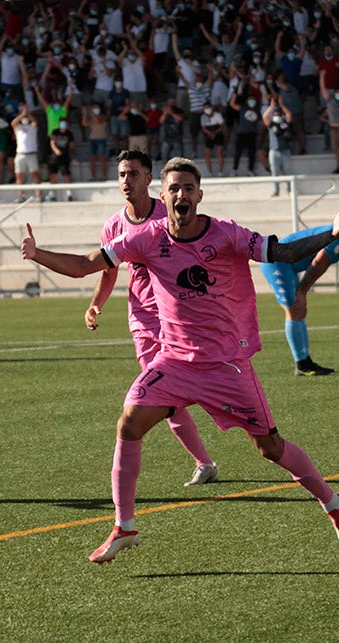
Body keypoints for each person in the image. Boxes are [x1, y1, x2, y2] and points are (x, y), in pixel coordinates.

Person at [21, 157, 339, 563]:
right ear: (162, 196)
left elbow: (283, 252)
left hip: (226, 365)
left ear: (199, 195)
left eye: (188, 188)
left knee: (270, 448)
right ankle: (124, 526)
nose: (181, 194)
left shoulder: (227, 234)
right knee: (129, 422)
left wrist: (332, 233)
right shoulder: (145, 238)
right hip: (175, 362)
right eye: (174, 188)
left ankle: (333, 503)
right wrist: (37, 253)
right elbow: (84, 266)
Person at [85, 150, 219, 487]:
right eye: (121, 175)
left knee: (200, 386)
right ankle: (204, 463)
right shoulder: (114, 226)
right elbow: (108, 270)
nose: (126, 181)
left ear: (149, 179)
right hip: (143, 321)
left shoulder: (169, 211)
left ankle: (251, 436)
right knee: (161, 395)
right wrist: (95, 304)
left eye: (133, 173)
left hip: (179, 315)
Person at [261, 222, 339, 376]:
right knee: (294, 310)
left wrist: (303, 291)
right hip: (277, 263)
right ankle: (302, 364)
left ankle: (306, 361)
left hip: (286, 266)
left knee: (299, 311)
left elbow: (320, 264)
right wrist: (303, 291)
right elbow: (319, 263)